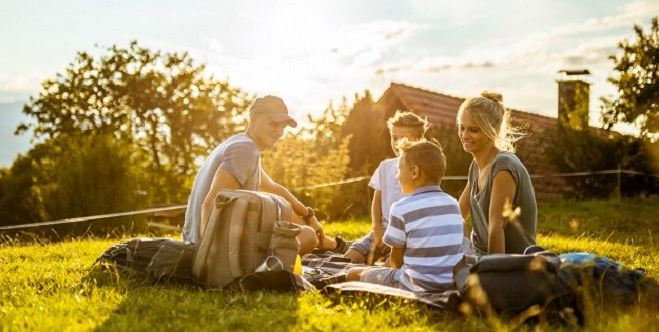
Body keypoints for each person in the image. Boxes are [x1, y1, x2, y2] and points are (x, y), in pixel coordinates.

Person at [182, 95, 344, 255]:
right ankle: (325, 244)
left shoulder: (239, 145)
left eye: (283, 127)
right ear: (254, 120)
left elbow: (273, 188)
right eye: (274, 124)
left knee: (292, 218)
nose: (279, 132)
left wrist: (309, 216)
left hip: (199, 240)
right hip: (212, 248)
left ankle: (328, 244)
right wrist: (208, 259)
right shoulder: (245, 150)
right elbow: (210, 204)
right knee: (307, 236)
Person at [345, 138, 464, 294]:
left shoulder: (401, 208)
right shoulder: (454, 204)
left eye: (399, 170)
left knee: (352, 273)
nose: (397, 177)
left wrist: (384, 270)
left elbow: (396, 263)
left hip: (413, 285)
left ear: (414, 171)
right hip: (449, 284)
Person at [457, 92, 537, 255]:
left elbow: (496, 228)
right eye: (462, 128)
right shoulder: (475, 166)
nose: (465, 135)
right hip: (478, 255)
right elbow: (455, 215)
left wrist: (491, 274)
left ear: (495, 129)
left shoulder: (504, 167)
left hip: (510, 263)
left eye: (473, 130)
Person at [344, 111, 429, 264]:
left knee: (391, 265)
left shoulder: (424, 171)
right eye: (394, 137)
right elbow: (376, 201)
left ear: (418, 139)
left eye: (403, 138)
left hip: (407, 236)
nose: (397, 143)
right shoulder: (385, 167)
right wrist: (377, 229)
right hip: (381, 231)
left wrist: (397, 240)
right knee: (350, 257)